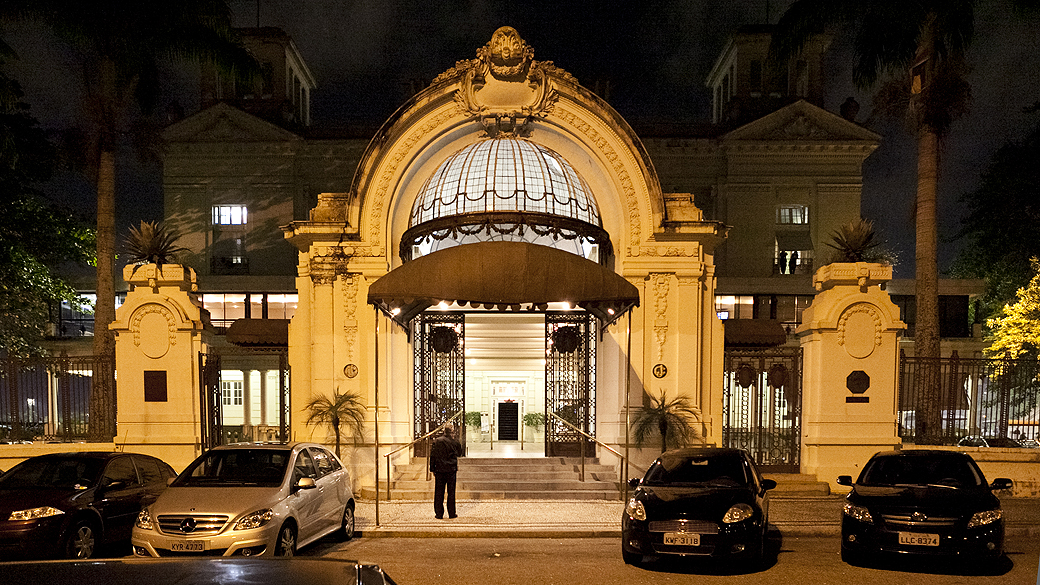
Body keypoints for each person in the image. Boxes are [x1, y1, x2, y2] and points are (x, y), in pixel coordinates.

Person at [429, 423, 463, 519]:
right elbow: (459, 453)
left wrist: (432, 468)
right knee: (451, 492)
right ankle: (452, 513)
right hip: (451, 469)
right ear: (452, 431)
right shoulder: (454, 442)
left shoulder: (437, 441)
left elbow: (433, 456)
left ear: (444, 430)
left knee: (439, 492)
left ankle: (439, 513)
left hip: (440, 469)